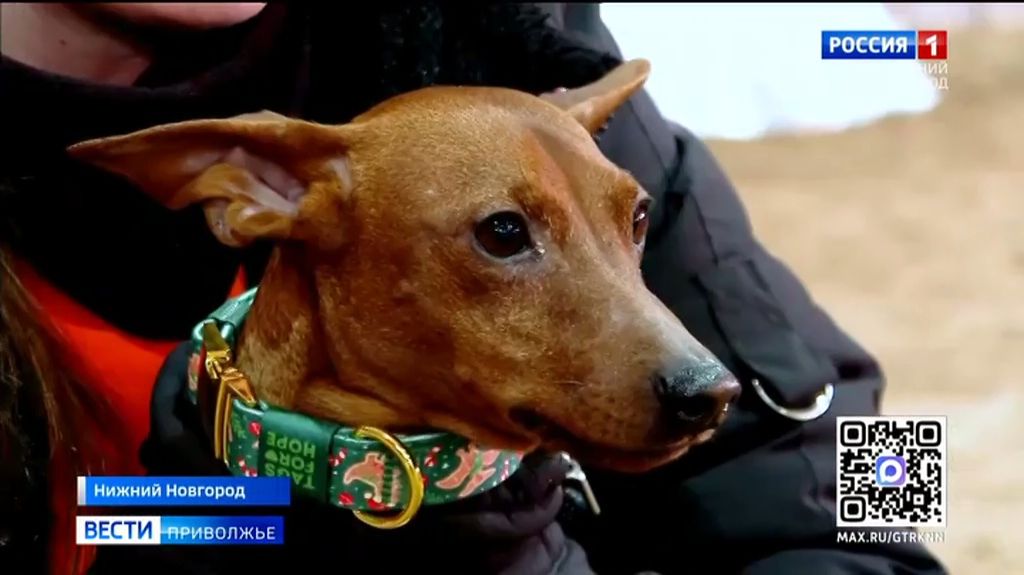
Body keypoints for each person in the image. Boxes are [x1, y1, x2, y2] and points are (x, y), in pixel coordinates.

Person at [0, 3, 948, 574]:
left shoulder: (533, 74)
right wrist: (225, 503)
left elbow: (879, 445)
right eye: (501, 236)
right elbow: (128, 511)